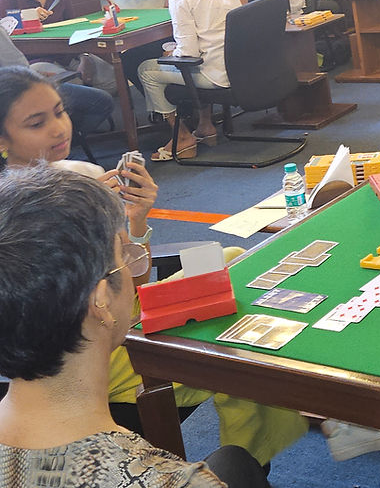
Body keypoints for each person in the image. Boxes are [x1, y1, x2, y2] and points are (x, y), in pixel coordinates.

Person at [0, 67, 310, 470]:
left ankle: (267, 428)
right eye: (36, 123)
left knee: (231, 263)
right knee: (233, 340)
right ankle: (252, 455)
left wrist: (135, 221)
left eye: (60, 112)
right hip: (76, 347)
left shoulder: (85, 175)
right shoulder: (19, 212)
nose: (59, 129)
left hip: (114, 310)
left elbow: (129, 280)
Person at [0, 164, 272, 488]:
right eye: (124, 254)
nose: (133, 265)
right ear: (100, 300)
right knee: (236, 463)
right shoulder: (179, 482)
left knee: (234, 461)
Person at [138, 0, 240, 161]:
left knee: (146, 70)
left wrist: (172, 54)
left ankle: (182, 136)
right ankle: (205, 127)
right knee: (193, 59)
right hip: (240, 67)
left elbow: (188, 52)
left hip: (214, 74)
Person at [0, 0, 115, 93]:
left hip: (67, 55)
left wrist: (84, 57)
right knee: (74, 87)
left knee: (113, 79)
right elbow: (3, 33)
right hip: (34, 60)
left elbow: (74, 32)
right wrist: (23, 17)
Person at [0, 29, 113, 136]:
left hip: (58, 63)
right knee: (101, 100)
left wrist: (84, 56)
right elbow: (18, 69)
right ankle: (64, 143)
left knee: (110, 85)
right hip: (20, 92)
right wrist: (37, 77)